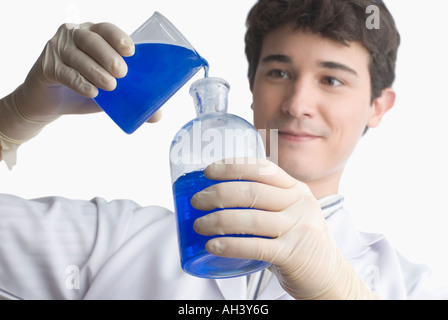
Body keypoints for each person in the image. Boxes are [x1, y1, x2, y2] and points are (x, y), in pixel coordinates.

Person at [0, 0, 445, 300]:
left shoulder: (408, 286)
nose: (296, 105)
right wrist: (13, 120)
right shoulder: (115, 240)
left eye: (331, 79)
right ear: (251, 90)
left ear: (378, 106)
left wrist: (337, 289)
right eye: (278, 73)